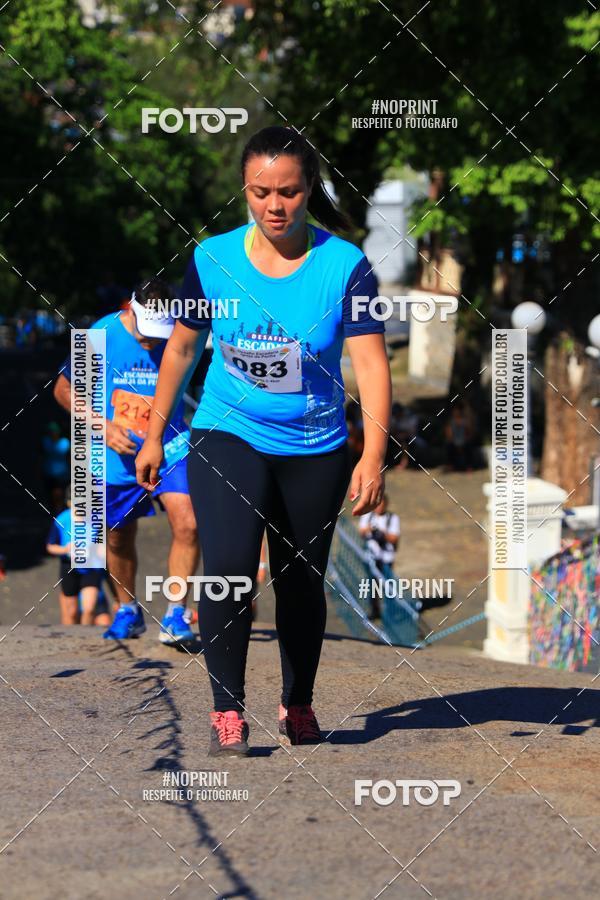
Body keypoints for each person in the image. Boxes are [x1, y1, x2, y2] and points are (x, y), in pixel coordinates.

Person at [135, 125, 392, 757]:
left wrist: (374, 455)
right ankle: (227, 709)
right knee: (226, 572)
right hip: (228, 433)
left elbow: (372, 364)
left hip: (315, 447)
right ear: (244, 190)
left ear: (310, 190)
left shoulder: (345, 267)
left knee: (301, 580)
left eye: (289, 192)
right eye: (260, 192)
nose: (274, 205)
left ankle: (297, 702)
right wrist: (154, 432)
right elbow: (184, 348)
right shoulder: (212, 260)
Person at [53, 279, 199, 644]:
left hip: (170, 443)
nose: (152, 341)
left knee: (189, 522)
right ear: (129, 310)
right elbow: (63, 389)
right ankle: (127, 610)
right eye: (147, 333)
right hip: (115, 451)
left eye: (159, 334)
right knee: (118, 538)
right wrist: (101, 426)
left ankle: (176, 614)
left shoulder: (177, 334)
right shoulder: (101, 333)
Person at [46, 487, 106, 625]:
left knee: (89, 609)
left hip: (91, 567)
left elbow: (103, 547)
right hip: (69, 567)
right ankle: (72, 640)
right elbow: (50, 546)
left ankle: (85, 639)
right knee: (71, 612)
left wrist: (94, 552)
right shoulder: (62, 519)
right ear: (69, 502)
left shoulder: (95, 519)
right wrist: (66, 549)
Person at [359, 494, 401, 619]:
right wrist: (371, 530)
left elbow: (394, 538)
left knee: (388, 586)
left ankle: (390, 612)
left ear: (386, 505)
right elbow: (361, 531)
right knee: (372, 586)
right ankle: (375, 610)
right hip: (371, 558)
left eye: (381, 504)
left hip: (386, 558)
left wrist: (383, 534)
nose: (378, 507)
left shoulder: (393, 518)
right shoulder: (367, 516)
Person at [41, 422, 70, 512]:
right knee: (51, 494)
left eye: (54, 432)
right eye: (51, 432)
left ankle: (59, 510)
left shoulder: (65, 443)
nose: (53, 434)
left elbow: (69, 457)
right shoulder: (45, 442)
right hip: (48, 472)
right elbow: (41, 456)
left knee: (59, 492)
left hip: (62, 473)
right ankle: (54, 510)